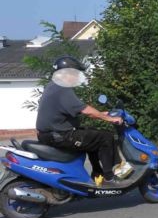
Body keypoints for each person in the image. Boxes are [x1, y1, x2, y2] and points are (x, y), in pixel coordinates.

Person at [35, 56, 132, 185]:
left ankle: (98, 173)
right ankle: (110, 177)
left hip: (52, 135)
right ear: (66, 73)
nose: (76, 77)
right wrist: (110, 118)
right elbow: (86, 110)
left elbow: (76, 110)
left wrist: (103, 114)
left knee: (92, 135)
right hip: (60, 136)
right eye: (75, 73)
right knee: (106, 137)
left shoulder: (53, 86)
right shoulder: (62, 89)